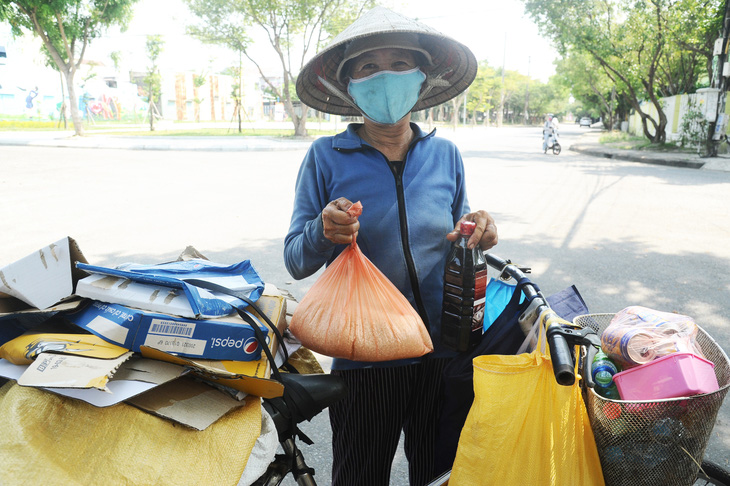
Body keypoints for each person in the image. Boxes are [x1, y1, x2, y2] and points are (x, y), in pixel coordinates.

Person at [285, 7, 498, 486]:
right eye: (368, 67)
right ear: (349, 86)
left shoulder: (446, 154)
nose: (385, 76)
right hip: (365, 360)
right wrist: (324, 230)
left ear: (422, 79)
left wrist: (478, 230)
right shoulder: (325, 156)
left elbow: (459, 231)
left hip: (444, 355)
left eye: (400, 64)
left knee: (440, 475)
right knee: (360, 477)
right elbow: (295, 259)